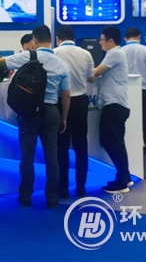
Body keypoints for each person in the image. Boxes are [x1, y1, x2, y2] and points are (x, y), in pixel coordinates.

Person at [0, 25, 71, 208]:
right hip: (51, 112)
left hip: (29, 112)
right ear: (51, 39)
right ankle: (52, 198)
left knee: (27, 155)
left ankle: (25, 196)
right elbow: (66, 95)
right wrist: (63, 118)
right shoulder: (62, 64)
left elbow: (2, 62)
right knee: (52, 156)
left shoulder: (28, 56)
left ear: (34, 40)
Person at [53, 25, 95, 199]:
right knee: (81, 146)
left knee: (61, 147)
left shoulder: (54, 53)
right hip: (80, 102)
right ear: (74, 38)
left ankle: (63, 188)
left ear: (57, 39)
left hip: (60, 102)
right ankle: (81, 187)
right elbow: (91, 77)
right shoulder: (86, 54)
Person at [89, 26, 132, 193]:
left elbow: (96, 72)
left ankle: (121, 181)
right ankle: (125, 176)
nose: (100, 43)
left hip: (114, 104)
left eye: (101, 40)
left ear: (110, 41)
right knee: (114, 142)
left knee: (111, 142)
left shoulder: (114, 53)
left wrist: (81, 70)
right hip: (116, 104)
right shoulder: (116, 54)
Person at [121, 27, 146, 160]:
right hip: (144, 92)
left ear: (125, 38)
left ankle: (129, 152)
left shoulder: (120, 51)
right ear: (139, 37)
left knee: (127, 123)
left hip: (125, 92)